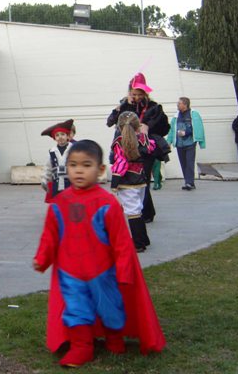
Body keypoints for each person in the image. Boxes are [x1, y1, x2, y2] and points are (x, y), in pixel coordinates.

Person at [33, 140, 165, 368]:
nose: (79, 171)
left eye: (86, 165)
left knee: (110, 308)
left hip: (103, 272)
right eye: (73, 165)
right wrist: (42, 259)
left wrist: (124, 270)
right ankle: (81, 347)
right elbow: (50, 235)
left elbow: (121, 242)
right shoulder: (59, 203)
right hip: (70, 274)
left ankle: (114, 339)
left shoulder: (107, 203)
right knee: (75, 310)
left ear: (100, 170)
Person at [106, 72, 169, 223]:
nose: (137, 97)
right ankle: (142, 211)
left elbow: (165, 128)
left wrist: (148, 126)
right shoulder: (123, 105)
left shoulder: (154, 107)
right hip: (125, 148)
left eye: (140, 94)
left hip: (145, 149)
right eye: (134, 94)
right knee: (130, 179)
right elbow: (110, 122)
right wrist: (124, 105)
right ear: (129, 92)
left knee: (143, 179)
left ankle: (143, 213)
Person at [111, 111, 155, 252]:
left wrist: (114, 184)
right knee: (138, 210)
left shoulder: (119, 142)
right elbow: (151, 148)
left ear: (119, 126)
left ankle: (138, 243)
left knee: (132, 212)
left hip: (127, 182)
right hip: (141, 179)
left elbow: (121, 163)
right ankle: (143, 239)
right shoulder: (142, 138)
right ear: (138, 125)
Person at [166, 97, 206, 190]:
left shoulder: (193, 114)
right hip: (179, 144)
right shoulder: (176, 116)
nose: (177, 105)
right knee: (183, 163)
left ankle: (190, 183)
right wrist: (169, 141)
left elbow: (198, 128)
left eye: (179, 103)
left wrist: (186, 132)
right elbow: (172, 130)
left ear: (185, 104)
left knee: (189, 162)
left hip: (190, 143)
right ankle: (187, 181)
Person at [40, 119, 74, 202]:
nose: (60, 137)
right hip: (57, 184)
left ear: (68, 136)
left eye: (63, 134)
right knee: (58, 203)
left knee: (71, 203)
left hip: (71, 184)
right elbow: (48, 167)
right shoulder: (52, 151)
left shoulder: (73, 149)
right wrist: (44, 179)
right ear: (54, 138)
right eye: (57, 135)